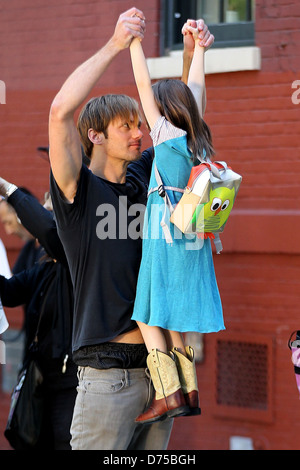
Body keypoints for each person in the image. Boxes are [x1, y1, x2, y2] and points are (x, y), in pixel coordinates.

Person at [48, 7, 211, 450]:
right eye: (127, 126)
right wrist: (116, 44)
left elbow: (177, 124)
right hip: (108, 376)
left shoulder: (145, 177)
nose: (139, 132)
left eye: (139, 124)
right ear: (96, 136)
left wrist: (193, 53)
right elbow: (61, 110)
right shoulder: (77, 191)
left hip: (162, 380)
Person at [129, 20, 224, 424]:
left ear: (163, 109)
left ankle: (169, 393)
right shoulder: (197, 135)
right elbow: (197, 88)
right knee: (170, 315)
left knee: (147, 313)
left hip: (164, 238)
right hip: (194, 239)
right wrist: (199, 51)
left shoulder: (164, 134)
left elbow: (140, 80)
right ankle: (190, 391)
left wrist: (132, 41)